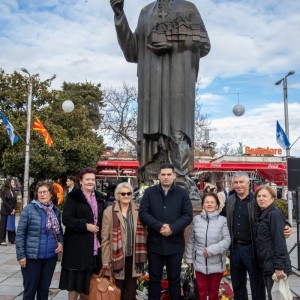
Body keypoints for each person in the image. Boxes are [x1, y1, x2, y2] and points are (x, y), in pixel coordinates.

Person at [110, 0, 210, 183]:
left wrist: (173, 44)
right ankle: (150, 177)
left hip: (179, 80)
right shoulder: (145, 12)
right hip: (151, 86)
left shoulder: (188, 7)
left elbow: (203, 43)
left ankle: (179, 176)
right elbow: (133, 51)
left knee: (177, 129)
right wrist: (119, 16)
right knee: (151, 130)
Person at [221, 171, 292, 300]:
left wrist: (286, 225)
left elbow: (271, 213)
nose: (238, 185)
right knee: (238, 284)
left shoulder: (257, 199)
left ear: (248, 183)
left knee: (257, 285)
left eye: (241, 182)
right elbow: (221, 217)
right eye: (236, 182)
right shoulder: (230, 200)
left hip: (252, 249)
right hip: (235, 249)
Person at [139, 162, 193, 300]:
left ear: (174, 176)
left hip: (175, 244)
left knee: (174, 280)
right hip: (155, 244)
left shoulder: (182, 193)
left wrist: (172, 228)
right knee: (154, 280)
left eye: (169, 174)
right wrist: (159, 226)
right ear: (158, 176)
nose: (166, 177)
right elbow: (143, 213)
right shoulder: (149, 192)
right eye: (163, 174)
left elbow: (187, 215)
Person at [59, 167, 105, 300]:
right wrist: (85, 226)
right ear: (81, 181)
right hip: (77, 248)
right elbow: (66, 219)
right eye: (87, 179)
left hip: (94, 249)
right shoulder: (74, 196)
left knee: (90, 284)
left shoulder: (99, 197)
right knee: (74, 284)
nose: (90, 182)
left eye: (92, 179)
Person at [16, 182, 63, 300]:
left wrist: (61, 243)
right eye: (39, 192)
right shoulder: (28, 210)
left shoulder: (55, 211)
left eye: (44, 192)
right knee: (29, 291)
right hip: (32, 258)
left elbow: (59, 232)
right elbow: (20, 234)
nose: (41, 194)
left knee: (44, 291)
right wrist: (21, 255)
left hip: (50, 258)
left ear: (51, 194)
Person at [101, 182, 147, 300]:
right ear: (117, 195)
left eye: (129, 193)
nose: (126, 196)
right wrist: (105, 259)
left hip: (134, 258)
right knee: (116, 291)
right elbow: (105, 238)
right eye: (123, 194)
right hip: (116, 258)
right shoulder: (109, 212)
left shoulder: (139, 209)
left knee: (130, 292)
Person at [186, 192, 231, 300]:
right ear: (203, 204)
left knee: (213, 292)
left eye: (212, 202)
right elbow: (191, 241)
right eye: (207, 202)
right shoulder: (196, 220)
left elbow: (227, 240)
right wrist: (189, 259)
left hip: (216, 263)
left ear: (217, 205)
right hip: (199, 262)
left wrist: (210, 250)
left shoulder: (222, 220)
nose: (209, 204)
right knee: (201, 292)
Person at [255, 185, 292, 300]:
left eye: (265, 196)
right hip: (267, 263)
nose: (261, 198)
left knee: (277, 296)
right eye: (259, 196)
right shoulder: (263, 213)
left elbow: (279, 242)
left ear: (272, 199)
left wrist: (279, 267)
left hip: (274, 265)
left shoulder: (274, 214)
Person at [0, 178, 17, 245]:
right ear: (8, 183)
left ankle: (12, 239)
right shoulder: (3, 191)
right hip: (5, 211)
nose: (13, 183)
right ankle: (1, 240)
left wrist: (14, 209)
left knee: (11, 225)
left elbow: (15, 201)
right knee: (3, 226)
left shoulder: (13, 191)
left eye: (13, 182)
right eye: (12, 182)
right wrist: (11, 210)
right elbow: (5, 202)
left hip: (12, 211)